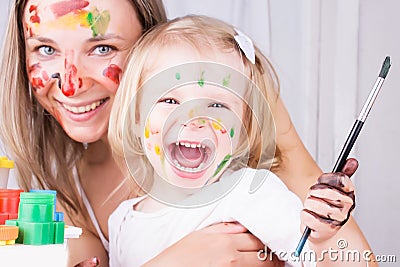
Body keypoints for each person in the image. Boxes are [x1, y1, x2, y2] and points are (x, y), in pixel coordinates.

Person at [0, 0, 374, 266]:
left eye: (102, 47)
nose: (70, 85)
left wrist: (325, 228)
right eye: (46, 48)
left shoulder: (244, 183)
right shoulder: (60, 195)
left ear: (150, 49)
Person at [107, 15, 361, 267]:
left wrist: (323, 236)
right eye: (170, 101)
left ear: (244, 128)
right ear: (137, 116)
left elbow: (324, 260)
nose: (193, 118)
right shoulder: (121, 222)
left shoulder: (251, 192)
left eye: (217, 104)